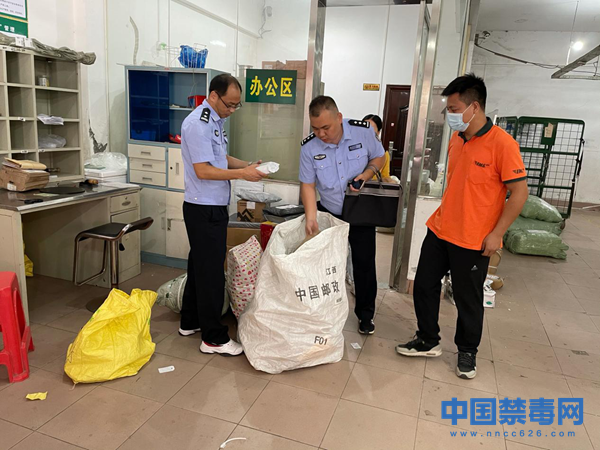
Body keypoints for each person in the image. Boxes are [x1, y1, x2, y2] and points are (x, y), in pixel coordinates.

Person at [396, 74, 528, 379]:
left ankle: (467, 351)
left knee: (468, 300)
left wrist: (497, 234)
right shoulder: (457, 138)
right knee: (424, 285)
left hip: (474, 239)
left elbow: (519, 193)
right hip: (441, 229)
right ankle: (427, 339)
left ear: (475, 107)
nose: (450, 115)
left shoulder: (503, 144)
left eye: (454, 109)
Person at [179, 74, 267, 356]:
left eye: (236, 105)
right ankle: (213, 339)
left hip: (212, 205)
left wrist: (249, 166)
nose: (232, 110)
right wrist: (243, 174)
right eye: (229, 104)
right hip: (203, 207)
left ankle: (190, 321)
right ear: (214, 96)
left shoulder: (214, 122)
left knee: (199, 266)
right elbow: (203, 170)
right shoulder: (198, 124)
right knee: (212, 274)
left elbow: (220, 159)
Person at [299, 96, 386, 335]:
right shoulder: (309, 147)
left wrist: (367, 173)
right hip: (330, 211)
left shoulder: (363, 132)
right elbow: (308, 184)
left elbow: (379, 156)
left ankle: (365, 315)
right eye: (315, 128)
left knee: (364, 264)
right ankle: (325, 312)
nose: (321, 134)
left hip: (360, 211)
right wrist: (311, 217)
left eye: (326, 127)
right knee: (326, 265)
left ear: (339, 118)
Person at [362, 114, 391, 181]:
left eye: (371, 130)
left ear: (378, 132)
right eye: (364, 129)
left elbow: (385, 177)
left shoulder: (383, 154)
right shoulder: (352, 149)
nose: (367, 133)